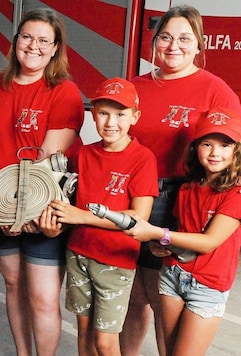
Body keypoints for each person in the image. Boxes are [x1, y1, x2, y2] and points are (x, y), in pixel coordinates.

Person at [120, 6, 241, 355]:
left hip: (179, 200)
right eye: (166, 37)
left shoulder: (216, 90)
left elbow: (237, 148)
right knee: (131, 294)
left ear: (199, 45)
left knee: (159, 294)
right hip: (132, 195)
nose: (174, 46)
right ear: (155, 42)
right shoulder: (135, 87)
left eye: (185, 38)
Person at [0, 8, 84, 356]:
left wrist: (22, 214)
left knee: (42, 296)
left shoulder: (63, 92)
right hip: (1, 207)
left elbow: (48, 162)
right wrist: (3, 212)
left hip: (43, 210)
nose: (33, 46)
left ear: (55, 48)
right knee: (12, 284)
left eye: (43, 40)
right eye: (26, 37)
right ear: (15, 42)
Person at [37, 77, 158, 355]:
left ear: (135, 117)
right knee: (84, 334)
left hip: (116, 262)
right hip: (79, 254)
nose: (110, 122)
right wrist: (53, 223)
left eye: (120, 114)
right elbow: (68, 202)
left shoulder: (142, 159)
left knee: (105, 342)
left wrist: (80, 217)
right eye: (103, 113)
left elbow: (138, 217)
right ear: (93, 114)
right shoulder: (84, 154)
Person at [125, 107, 241, 355]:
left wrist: (156, 233)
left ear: (237, 150)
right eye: (207, 144)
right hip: (173, 275)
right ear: (196, 147)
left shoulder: (240, 192)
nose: (215, 152)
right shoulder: (188, 188)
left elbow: (209, 242)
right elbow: (182, 232)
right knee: (169, 350)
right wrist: (162, 245)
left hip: (208, 286)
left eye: (225, 145)